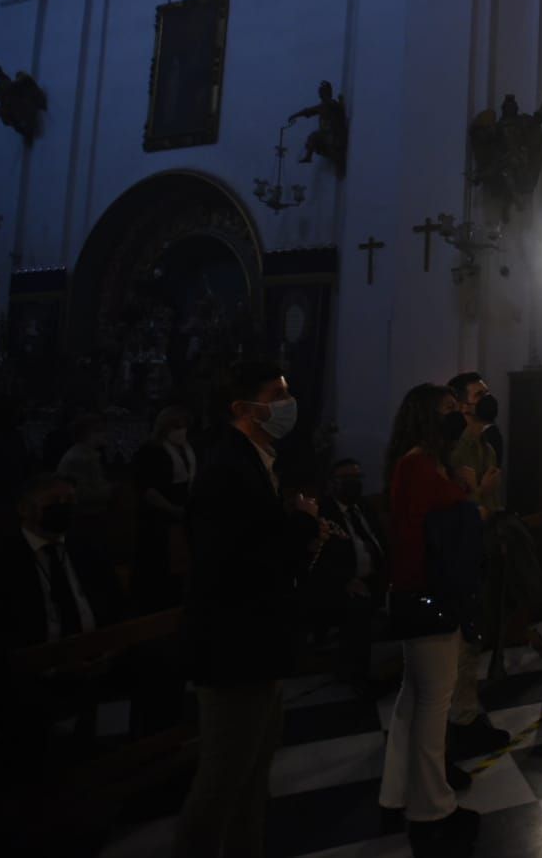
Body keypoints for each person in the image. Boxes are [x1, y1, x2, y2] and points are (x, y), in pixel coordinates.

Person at [174, 361, 325, 858]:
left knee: (253, 774)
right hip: (234, 646)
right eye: (277, 395)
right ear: (243, 408)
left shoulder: (255, 462)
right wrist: (301, 527)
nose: (287, 403)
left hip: (257, 642)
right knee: (222, 778)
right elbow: (235, 561)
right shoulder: (226, 469)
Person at [381, 384, 481, 857]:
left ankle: (397, 791)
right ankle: (431, 810)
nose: (457, 417)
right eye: (448, 411)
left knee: (413, 700)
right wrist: (466, 489)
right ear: (426, 416)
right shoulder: (420, 466)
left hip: (414, 593)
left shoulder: (413, 462)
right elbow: (460, 514)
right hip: (429, 594)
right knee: (431, 707)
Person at [0, 473, 126, 651]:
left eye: (69, 499)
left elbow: (116, 604)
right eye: (53, 500)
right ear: (24, 508)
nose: (62, 506)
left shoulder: (89, 549)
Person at [443, 372, 511, 758]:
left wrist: (484, 501)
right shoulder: (458, 448)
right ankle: (460, 720)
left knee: (477, 635)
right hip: (463, 548)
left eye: (487, 393)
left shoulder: (486, 445)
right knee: (463, 639)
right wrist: (481, 498)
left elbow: (489, 501)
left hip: (485, 542)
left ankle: (469, 711)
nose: (487, 399)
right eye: (479, 395)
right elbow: (469, 505)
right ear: (462, 404)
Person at [307, 458, 388, 689]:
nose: (353, 484)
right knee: (357, 609)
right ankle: (357, 677)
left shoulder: (363, 508)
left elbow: (378, 541)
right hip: (338, 583)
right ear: (332, 483)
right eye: (346, 479)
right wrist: (345, 580)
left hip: (374, 578)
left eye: (356, 478)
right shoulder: (323, 513)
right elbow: (319, 559)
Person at [131, 406, 194, 611]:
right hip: (158, 519)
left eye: (184, 426)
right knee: (160, 566)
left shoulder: (187, 449)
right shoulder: (151, 451)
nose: (181, 430)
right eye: (176, 426)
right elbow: (148, 488)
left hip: (183, 514)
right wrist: (172, 509)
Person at [56, 413, 115, 543]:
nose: (105, 434)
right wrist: (112, 490)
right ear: (88, 434)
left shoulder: (85, 455)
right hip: (85, 520)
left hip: (87, 517)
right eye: (100, 431)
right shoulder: (81, 459)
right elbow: (82, 495)